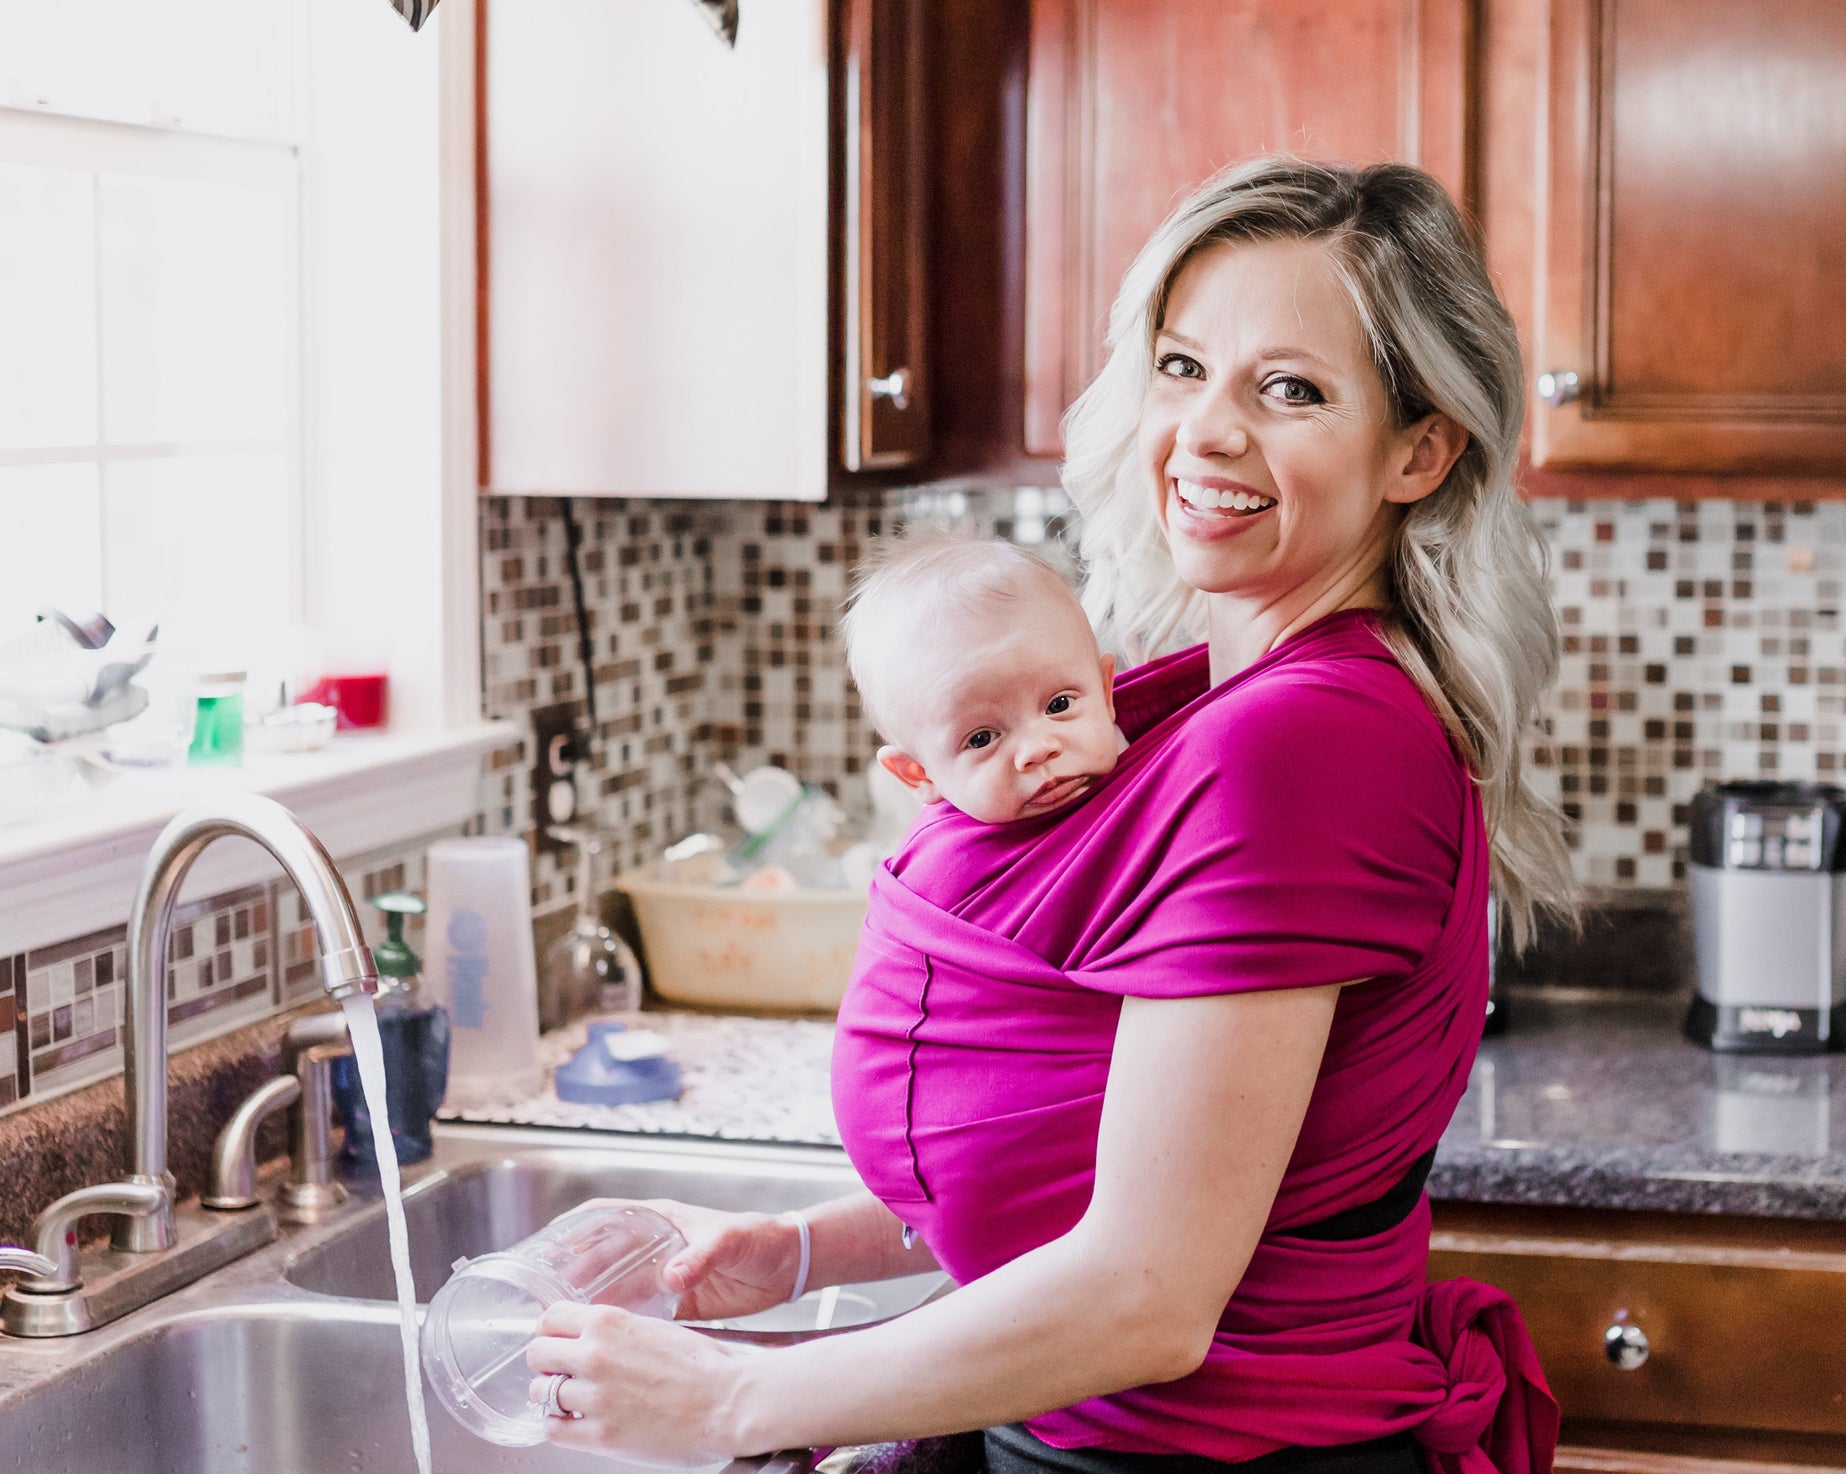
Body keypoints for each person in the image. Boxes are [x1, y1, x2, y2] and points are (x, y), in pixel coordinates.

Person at [524, 155, 1578, 1474]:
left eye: (1290, 389)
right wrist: (800, 1254)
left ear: (1417, 449)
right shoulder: (1204, 697)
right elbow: (1117, 1165)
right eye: (1182, 367)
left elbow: (1148, 1287)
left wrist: (733, 1403)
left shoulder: (1300, 743)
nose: (1204, 433)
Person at [843, 532, 1129, 826]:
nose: (1037, 749)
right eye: (981, 739)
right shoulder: (949, 867)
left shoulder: (1162, 771)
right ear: (918, 773)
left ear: (1106, 691)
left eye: (1059, 705)